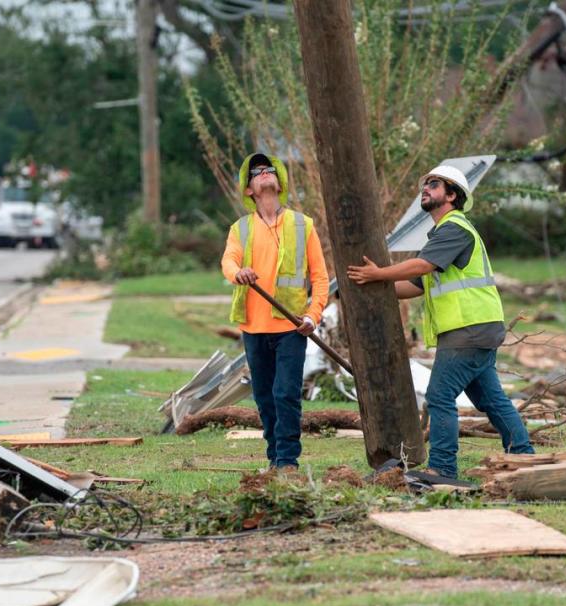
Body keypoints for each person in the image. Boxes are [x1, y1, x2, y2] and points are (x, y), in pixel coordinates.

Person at [346, 165, 533, 478]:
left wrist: (379, 273)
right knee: (492, 399)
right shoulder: (442, 235)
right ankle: (524, 456)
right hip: (476, 328)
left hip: (468, 330)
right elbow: (415, 285)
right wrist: (373, 289)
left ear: (452, 195)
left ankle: (443, 468)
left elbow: (421, 266)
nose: (425, 189)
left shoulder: (454, 227)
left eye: (433, 184)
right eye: (425, 185)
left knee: (439, 396)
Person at [221, 152, 329, 471]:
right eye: (257, 172)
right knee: (265, 398)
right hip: (254, 329)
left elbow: (320, 276)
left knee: (286, 394)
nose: (264, 173)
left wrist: (313, 315)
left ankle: (287, 461)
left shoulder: (302, 224)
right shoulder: (240, 228)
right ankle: (273, 456)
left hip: (291, 326)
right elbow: (229, 260)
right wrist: (236, 273)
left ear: (279, 182)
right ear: (249, 189)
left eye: (270, 170)